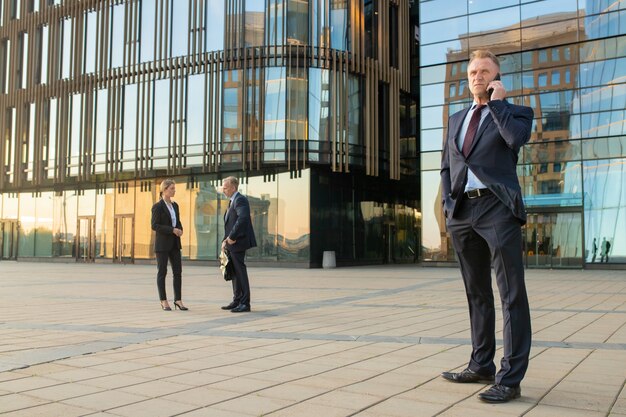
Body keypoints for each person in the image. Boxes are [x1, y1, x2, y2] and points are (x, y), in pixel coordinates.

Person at [440, 50, 533, 403]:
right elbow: (447, 165)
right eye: (473, 72)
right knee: (476, 292)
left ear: (496, 79)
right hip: (463, 211)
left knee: (511, 295)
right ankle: (481, 364)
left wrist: (496, 104)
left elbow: (514, 141)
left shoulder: (516, 113)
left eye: (484, 72)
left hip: (498, 209)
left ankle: (510, 378)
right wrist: (449, 207)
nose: (477, 76)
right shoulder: (455, 119)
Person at [221, 176, 257, 313]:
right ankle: (237, 300)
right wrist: (225, 240)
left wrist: (232, 237)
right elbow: (230, 223)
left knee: (240, 272)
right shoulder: (232, 201)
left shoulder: (240, 199)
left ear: (233, 187)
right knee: (234, 272)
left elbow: (243, 219)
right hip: (231, 242)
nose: (223, 190)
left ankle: (245, 303)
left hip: (238, 241)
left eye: (225, 187)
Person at [151, 179, 188, 311]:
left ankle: (178, 300)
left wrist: (180, 229)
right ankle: (163, 300)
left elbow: (177, 221)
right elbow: (154, 225)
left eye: (174, 188)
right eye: (172, 188)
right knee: (162, 272)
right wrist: (172, 230)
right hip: (162, 245)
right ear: (164, 189)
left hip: (175, 243)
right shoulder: (157, 206)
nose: (174, 190)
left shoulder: (175, 205)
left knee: (178, 272)